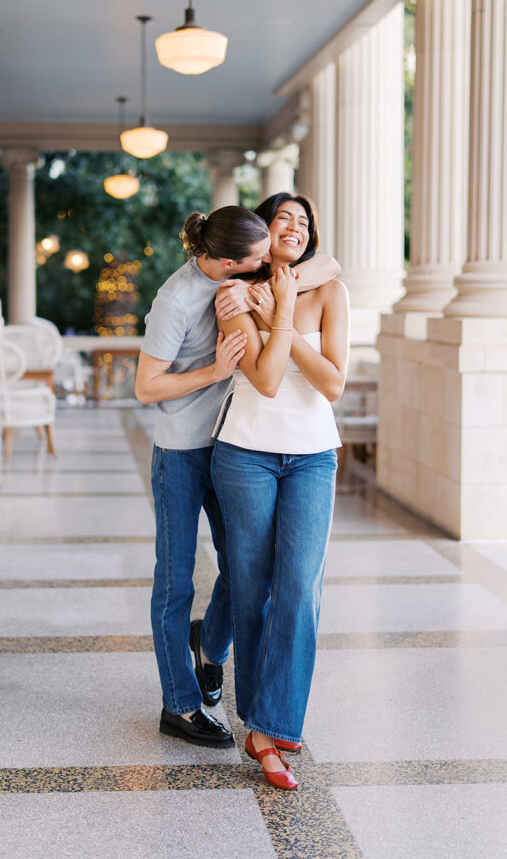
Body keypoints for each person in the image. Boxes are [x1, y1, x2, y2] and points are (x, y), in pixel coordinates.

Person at [135, 203, 340, 749]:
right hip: (183, 450)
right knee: (176, 580)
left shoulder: (253, 279)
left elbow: (327, 265)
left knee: (245, 570)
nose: (274, 254)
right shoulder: (181, 299)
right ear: (232, 261)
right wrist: (215, 370)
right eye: (263, 251)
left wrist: (282, 293)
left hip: (232, 444)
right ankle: (180, 704)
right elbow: (146, 387)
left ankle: (211, 644)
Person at [210, 193, 349, 787]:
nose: (295, 227)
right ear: (261, 231)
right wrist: (277, 310)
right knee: (252, 586)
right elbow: (265, 383)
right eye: (283, 218)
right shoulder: (234, 294)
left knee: (300, 587)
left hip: (313, 456)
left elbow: (332, 383)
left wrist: (280, 316)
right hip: (245, 453)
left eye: (304, 221)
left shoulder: (330, 291)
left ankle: (274, 720)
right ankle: (263, 732)